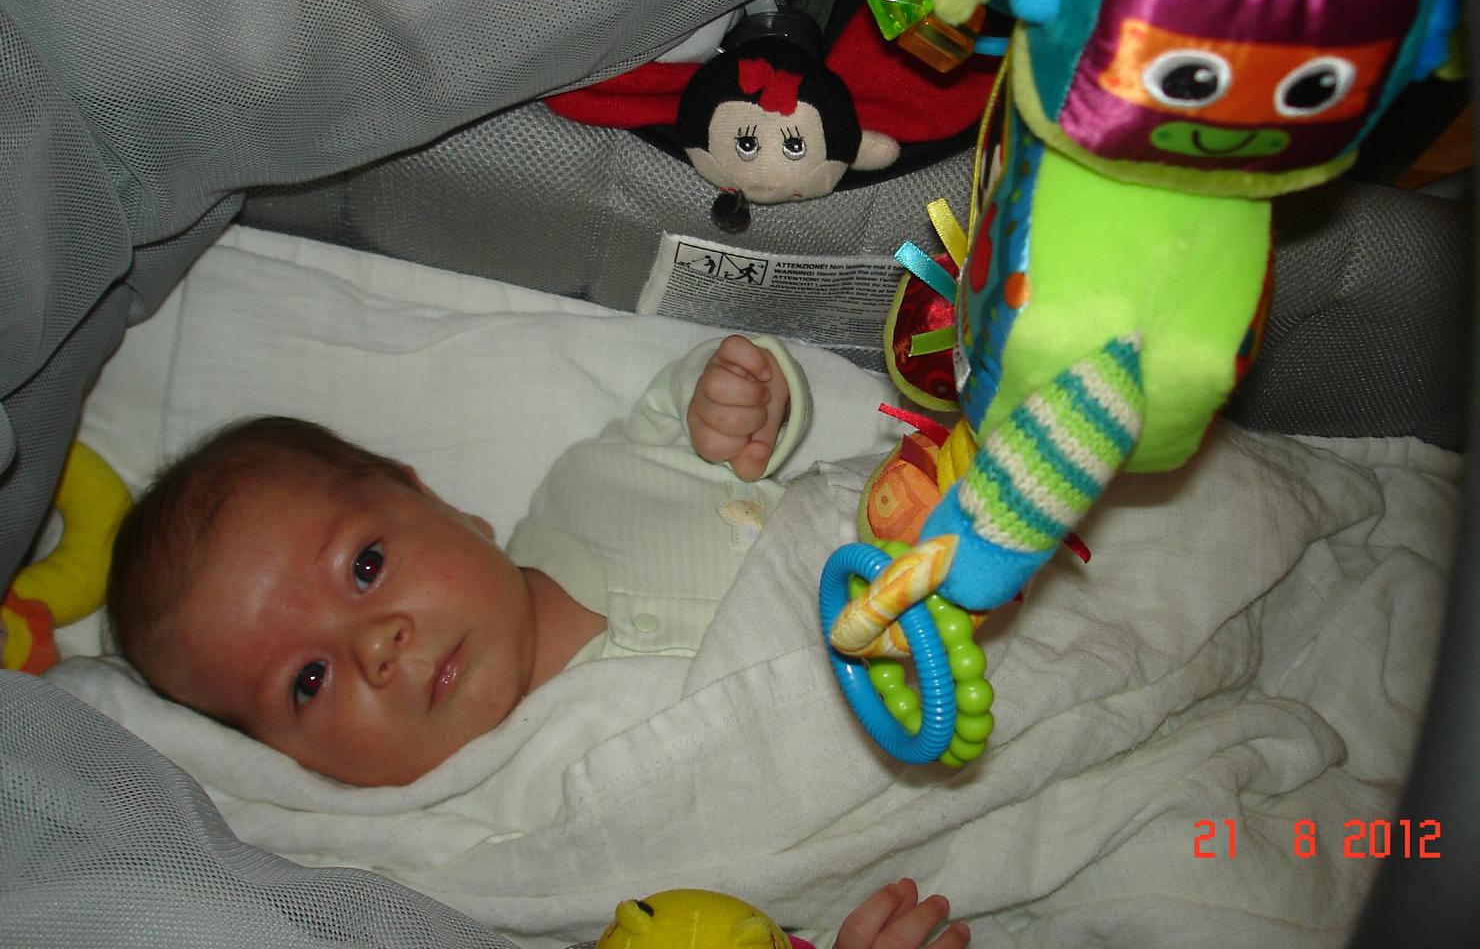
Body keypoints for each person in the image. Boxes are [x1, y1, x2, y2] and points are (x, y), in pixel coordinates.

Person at [104, 332, 970, 949]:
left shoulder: (593, 483)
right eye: (307, 681)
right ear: (296, 768)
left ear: (435, 501)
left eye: (366, 566)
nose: (375, 649)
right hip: (942, 834)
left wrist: (743, 398)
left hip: (965, 585)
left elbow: (695, 415)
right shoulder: (490, 853)